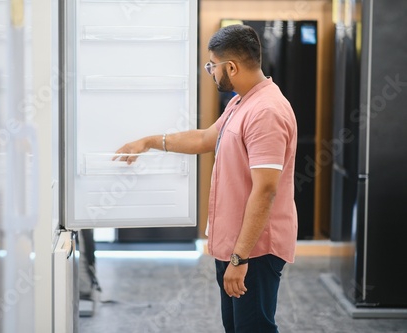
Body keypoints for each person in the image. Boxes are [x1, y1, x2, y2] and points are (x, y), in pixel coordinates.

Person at [113, 24, 298, 333]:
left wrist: (239, 259)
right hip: (236, 246)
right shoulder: (241, 103)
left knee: (254, 329)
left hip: (255, 250)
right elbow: (204, 139)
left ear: (232, 67)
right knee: (237, 328)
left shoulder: (266, 111)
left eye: (212, 66)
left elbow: (265, 191)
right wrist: (147, 142)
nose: (211, 72)